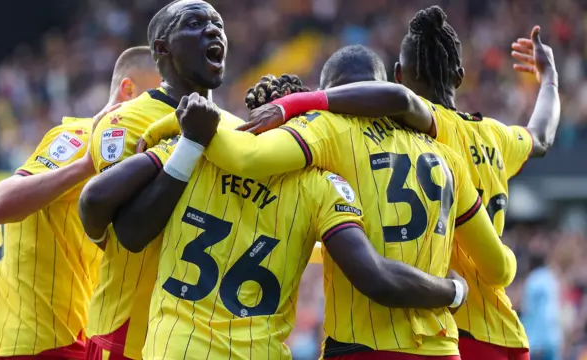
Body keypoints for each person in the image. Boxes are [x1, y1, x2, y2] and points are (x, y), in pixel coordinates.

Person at [140, 46, 517, 359]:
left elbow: (247, 156)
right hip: (441, 347)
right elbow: (498, 269)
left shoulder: (328, 129)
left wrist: (177, 125)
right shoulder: (446, 155)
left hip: (361, 345)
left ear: (333, 94)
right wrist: (459, 288)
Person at [228, 6, 560, 360]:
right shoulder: (494, 136)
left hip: (444, 324)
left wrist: (297, 104)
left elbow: (398, 103)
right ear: (460, 76)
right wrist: (550, 79)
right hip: (502, 329)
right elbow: (541, 137)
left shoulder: (430, 132)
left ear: (397, 78)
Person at [82, 85, 470, 360]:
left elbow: (104, 207)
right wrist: (453, 290)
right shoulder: (323, 186)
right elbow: (373, 275)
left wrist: (170, 133)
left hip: (176, 348)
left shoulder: (196, 151)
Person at [0, 46, 161, 360]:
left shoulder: (135, 161)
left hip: (49, 339)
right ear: (128, 91)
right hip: (36, 341)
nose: (165, 114)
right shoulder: (80, 136)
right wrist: (86, 165)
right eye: (158, 99)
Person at [77, 1, 231, 359]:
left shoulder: (231, 128)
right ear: (162, 48)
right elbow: (120, 231)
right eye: (194, 23)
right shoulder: (125, 123)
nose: (213, 30)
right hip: (129, 335)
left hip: (201, 337)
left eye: (218, 23)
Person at [521, 252, 561, 360]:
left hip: (537, 342)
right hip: (552, 338)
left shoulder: (532, 280)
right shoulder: (551, 279)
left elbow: (529, 311)